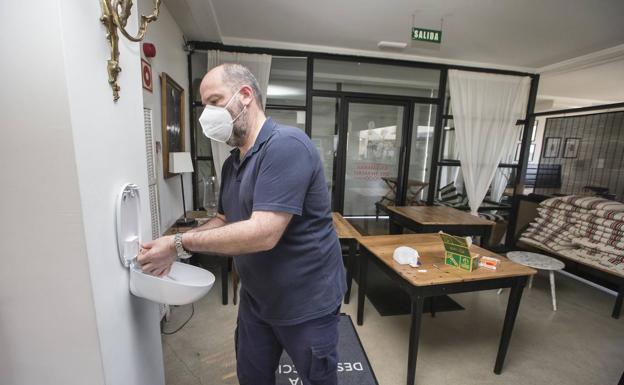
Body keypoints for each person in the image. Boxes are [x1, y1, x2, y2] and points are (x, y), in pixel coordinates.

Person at [138, 63, 346, 385]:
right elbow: (223, 219)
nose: (207, 114)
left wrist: (179, 244)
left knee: (317, 378)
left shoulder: (286, 146)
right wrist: (176, 243)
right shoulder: (233, 163)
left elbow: (263, 232)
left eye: (215, 101)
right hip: (256, 299)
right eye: (204, 105)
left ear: (245, 95)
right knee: (252, 375)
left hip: (306, 301)